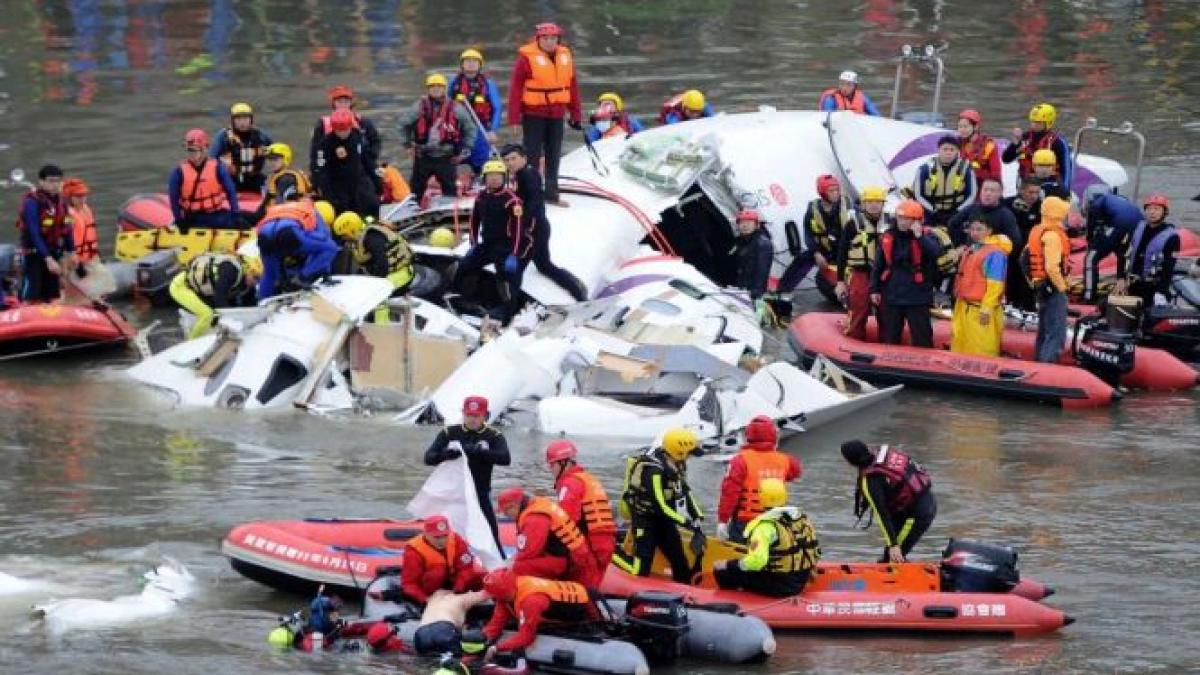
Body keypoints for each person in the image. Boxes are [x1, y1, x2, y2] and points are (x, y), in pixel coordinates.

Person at [613, 428, 705, 583]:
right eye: (689, 453)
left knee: (680, 563)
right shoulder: (654, 470)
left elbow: (685, 493)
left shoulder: (677, 466)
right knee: (640, 569)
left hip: (665, 520)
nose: (689, 457)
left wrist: (697, 516)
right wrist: (684, 522)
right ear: (679, 451)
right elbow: (659, 505)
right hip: (645, 520)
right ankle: (611, 554)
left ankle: (683, 590)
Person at [424, 395, 512, 552]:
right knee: (446, 532)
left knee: (491, 530)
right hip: (453, 494)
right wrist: (446, 454)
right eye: (469, 415)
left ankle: (497, 563)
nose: (472, 420)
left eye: (476, 416)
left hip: (480, 493)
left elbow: (505, 459)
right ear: (463, 414)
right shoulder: (449, 432)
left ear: (485, 416)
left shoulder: (493, 436)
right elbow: (428, 458)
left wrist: (482, 453)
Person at [501, 144, 587, 301]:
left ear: (523, 158)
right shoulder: (520, 175)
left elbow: (533, 203)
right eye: (506, 161)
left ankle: (510, 305)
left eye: (513, 159)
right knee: (544, 266)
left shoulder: (527, 176)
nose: (510, 163)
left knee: (517, 270)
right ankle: (577, 290)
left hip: (534, 229)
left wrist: (522, 227)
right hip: (539, 227)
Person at [508, 22, 582, 205]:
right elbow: (516, 89)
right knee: (531, 154)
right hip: (534, 113)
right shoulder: (526, 58)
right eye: (546, 38)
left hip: (556, 113)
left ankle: (551, 194)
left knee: (553, 153)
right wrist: (514, 118)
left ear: (558, 39)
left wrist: (576, 113)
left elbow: (572, 87)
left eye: (553, 38)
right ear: (538, 39)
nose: (550, 42)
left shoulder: (565, 55)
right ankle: (529, 194)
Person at [712, 478, 820, 597]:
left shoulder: (764, 527)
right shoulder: (800, 519)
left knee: (721, 570)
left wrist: (728, 564)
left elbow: (757, 562)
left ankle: (734, 599)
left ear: (761, 498)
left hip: (781, 586)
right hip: (801, 579)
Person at [452, 160, 529, 324]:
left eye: (498, 176)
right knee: (465, 265)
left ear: (504, 178)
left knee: (507, 277)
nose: (494, 179)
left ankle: (507, 310)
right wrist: (473, 244)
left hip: (506, 246)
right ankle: (465, 297)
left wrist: (514, 254)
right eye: (490, 176)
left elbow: (518, 230)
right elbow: (474, 220)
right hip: (487, 244)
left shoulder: (512, 201)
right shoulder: (481, 196)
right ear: (484, 178)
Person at [840, 440, 936, 562]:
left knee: (894, 557)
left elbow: (882, 514)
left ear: (850, 462)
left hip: (917, 515)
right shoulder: (883, 454)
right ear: (867, 449)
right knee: (888, 557)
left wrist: (893, 545)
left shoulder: (870, 482)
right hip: (922, 500)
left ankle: (904, 576)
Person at [481, 569, 598, 662]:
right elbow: (495, 625)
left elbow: (526, 637)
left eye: (494, 596)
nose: (492, 599)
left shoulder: (530, 601)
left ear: (503, 592)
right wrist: (480, 643)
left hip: (583, 607)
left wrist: (497, 648)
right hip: (569, 596)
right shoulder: (508, 593)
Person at [717, 415, 802, 543]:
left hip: (745, 522)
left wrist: (723, 520)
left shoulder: (740, 460)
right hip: (775, 520)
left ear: (748, 436)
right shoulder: (786, 460)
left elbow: (730, 493)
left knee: (740, 557)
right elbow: (795, 472)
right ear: (774, 436)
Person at [870, 200, 941, 347]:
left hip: (918, 296)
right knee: (890, 335)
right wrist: (874, 289)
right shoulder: (888, 236)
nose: (902, 222)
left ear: (917, 221)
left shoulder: (927, 237)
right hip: (893, 294)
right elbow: (878, 265)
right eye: (900, 218)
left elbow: (935, 252)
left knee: (922, 337)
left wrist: (919, 236)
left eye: (907, 219)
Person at [546, 440, 616, 588]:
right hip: (604, 543)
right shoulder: (587, 478)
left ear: (562, 463)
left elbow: (566, 519)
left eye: (552, 465)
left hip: (590, 547)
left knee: (584, 593)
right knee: (591, 587)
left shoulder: (570, 484)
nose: (551, 469)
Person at [495, 488, 597, 585]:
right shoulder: (539, 503)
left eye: (506, 512)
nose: (506, 516)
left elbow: (530, 553)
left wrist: (507, 566)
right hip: (572, 556)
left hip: (568, 562)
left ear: (513, 506)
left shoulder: (534, 518)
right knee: (517, 562)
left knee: (519, 567)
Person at [399, 73, 476, 199]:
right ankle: (413, 207)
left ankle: (450, 210)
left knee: (450, 188)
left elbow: (470, 128)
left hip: (446, 157)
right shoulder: (418, 107)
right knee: (416, 188)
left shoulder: (456, 107)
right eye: (432, 86)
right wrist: (407, 144)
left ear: (444, 88)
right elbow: (402, 125)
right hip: (423, 156)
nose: (435, 89)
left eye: (439, 86)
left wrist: (466, 148)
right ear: (428, 89)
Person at [778, 174, 853, 295]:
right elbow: (808, 234)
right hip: (826, 250)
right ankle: (781, 292)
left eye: (837, 190)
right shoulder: (813, 209)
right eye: (831, 191)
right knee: (802, 259)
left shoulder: (847, 205)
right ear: (822, 193)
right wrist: (816, 253)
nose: (835, 193)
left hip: (847, 250)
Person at [255, 200, 338, 299]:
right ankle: (301, 278)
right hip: (287, 233)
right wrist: (325, 275)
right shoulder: (314, 213)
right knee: (331, 247)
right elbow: (324, 240)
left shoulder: (288, 207)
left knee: (269, 273)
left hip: (264, 234)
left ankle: (261, 302)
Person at [950, 218, 1010, 356]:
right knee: (959, 346)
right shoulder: (972, 249)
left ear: (989, 231)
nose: (975, 233)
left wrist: (986, 308)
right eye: (972, 229)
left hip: (980, 310)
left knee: (982, 349)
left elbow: (995, 286)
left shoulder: (995, 254)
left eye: (979, 229)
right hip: (964, 306)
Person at [16, 165, 76, 302]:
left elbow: (67, 228)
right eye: (51, 181)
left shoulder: (63, 202)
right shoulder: (32, 202)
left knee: (52, 294)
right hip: (34, 253)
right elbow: (34, 232)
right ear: (41, 182)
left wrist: (72, 251)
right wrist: (47, 258)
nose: (55, 185)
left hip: (53, 252)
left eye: (58, 181)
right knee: (33, 293)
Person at [1023, 195, 1072, 362]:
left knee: (1043, 332)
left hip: (1040, 288)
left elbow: (1024, 259)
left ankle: (1039, 362)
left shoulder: (1037, 231)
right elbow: (1052, 267)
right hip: (1054, 289)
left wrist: (1033, 282)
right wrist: (1062, 287)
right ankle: (1047, 366)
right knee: (1056, 333)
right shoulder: (1054, 236)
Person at [835, 185, 888, 340]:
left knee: (886, 311)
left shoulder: (892, 223)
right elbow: (842, 253)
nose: (873, 205)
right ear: (863, 204)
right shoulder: (853, 224)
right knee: (859, 307)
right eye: (869, 201)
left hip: (885, 275)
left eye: (877, 202)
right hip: (861, 273)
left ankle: (887, 345)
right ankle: (854, 340)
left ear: (883, 204)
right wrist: (840, 281)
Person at [168, 252, 261, 339]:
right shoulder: (230, 271)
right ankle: (191, 342)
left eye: (259, 279)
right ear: (249, 271)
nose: (256, 283)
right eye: (256, 278)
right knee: (207, 314)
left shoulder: (245, 278)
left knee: (214, 315)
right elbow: (219, 299)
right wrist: (234, 322)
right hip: (181, 287)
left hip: (199, 290)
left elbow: (247, 302)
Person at [401, 516, 485, 606]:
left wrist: (457, 589)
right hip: (431, 590)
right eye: (436, 537)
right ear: (426, 534)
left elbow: (466, 568)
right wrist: (425, 599)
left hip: (454, 586)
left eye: (445, 536)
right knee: (436, 573)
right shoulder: (413, 552)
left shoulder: (456, 540)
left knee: (480, 575)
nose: (442, 541)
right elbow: (409, 584)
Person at [168, 128, 239, 232]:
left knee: (245, 221)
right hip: (192, 217)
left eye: (194, 150)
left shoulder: (217, 167)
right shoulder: (178, 172)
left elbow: (231, 191)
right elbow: (173, 199)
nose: (191, 154)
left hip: (216, 214)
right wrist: (179, 220)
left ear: (204, 149)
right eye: (189, 150)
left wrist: (235, 213)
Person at [313, 108, 380, 217]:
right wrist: (328, 194)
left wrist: (377, 180)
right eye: (339, 130)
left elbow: (366, 160)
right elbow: (321, 171)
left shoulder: (356, 137)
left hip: (358, 181)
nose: (342, 133)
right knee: (342, 209)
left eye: (345, 130)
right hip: (337, 184)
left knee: (372, 205)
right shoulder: (325, 144)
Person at [309, 84, 382, 183]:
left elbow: (375, 142)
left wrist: (370, 159)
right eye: (339, 102)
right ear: (334, 104)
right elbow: (315, 154)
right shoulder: (323, 124)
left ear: (351, 103)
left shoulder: (363, 122)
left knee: (389, 174)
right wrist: (317, 176)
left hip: (361, 169)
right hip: (333, 171)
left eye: (346, 102)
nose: (343, 105)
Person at [1081, 187, 1142, 303]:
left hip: (1120, 225)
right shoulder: (1121, 200)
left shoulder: (1096, 204)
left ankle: (1089, 296)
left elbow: (1091, 229)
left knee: (1090, 258)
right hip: (1139, 225)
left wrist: (1091, 242)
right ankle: (1127, 288)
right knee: (1123, 255)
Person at [1119, 193, 1180, 309]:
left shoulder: (1172, 237)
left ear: (1164, 212)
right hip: (1133, 284)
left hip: (1154, 287)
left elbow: (1169, 267)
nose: (1152, 212)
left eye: (1157, 209)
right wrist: (1120, 278)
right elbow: (1122, 253)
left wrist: (1161, 291)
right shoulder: (1136, 228)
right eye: (1149, 209)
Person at [331, 211, 415, 293]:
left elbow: (382, 267)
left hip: (397, 277)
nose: (343, 239)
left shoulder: (372, 238)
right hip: (390, 273)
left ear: (351, 231)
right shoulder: (360, 237)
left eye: (344, 235)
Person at [449, 49, 504, 175]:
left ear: (480, 65)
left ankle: (482, 180)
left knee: (481, 159)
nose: (471, 64)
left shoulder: (488, 84)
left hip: (480, 128)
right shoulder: (454, 83)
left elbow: (497, 108)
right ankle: (448, 183)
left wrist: (493, 131)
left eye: (474, 61)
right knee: (451, 157)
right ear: (462, 65)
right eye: (467, 61)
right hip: (458, 129)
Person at [913, 135, 977, 228]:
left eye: (952, 150)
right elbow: (918, 194)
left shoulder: (966, 169)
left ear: (957, 152)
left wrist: (958, 212)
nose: (948, 153)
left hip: (956, 213)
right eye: (945, 149)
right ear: (938, 150)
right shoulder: (924, 169)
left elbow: (971, 195)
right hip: (931, 213)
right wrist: (933, 211)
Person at [1002, 103, 1072, 187]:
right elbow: (1006, 159)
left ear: (1049, 123)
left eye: (1038, 123)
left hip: (1048, 184)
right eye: (1032, 121)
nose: (1034, 125)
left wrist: (1065, 192)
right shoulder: (1024, 137)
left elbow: (1066, 169)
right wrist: (1014, 144)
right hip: (1026, 185)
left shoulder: (1057, 142)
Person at [210, 102, 273, 192]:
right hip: (230, 178)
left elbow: (276, 154)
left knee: (273, 188)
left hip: (254, 178)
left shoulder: (261, 136)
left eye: (245, 118)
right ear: (233, 121)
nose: (242, 122)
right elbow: (212, 160)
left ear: (251, 120)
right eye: (238, 119)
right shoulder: (222, 137)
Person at [1003, 177, 1044, 311]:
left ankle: (1028, 307)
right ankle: (1011, 303)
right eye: (1030, 192)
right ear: (1021, 191)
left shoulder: (1042, 207)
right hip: (1012, 249)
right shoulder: (1007, 204)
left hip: (1031, 250)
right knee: (1011, 276)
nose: (1033, 196)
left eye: (1036, 193)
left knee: (1028, 280)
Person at [413, 588, 490, 656]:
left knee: (429, 655)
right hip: (443, 629)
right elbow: (485, 595)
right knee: (465, 655)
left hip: (420, 635)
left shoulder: (434, 597)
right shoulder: (461, 599)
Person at [731, 209, 775, 326]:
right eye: (742, 222)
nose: (745, 226)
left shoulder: (763, 243)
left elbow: (763, 270)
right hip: (742, 285)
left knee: (757, 321)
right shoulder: (741, 241)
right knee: (742, 320)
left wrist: (755, 290)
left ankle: (762, 321)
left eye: (749, 222)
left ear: (756, 225)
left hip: (755, 289)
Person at [257, 143, 312, 219]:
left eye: (275, 159)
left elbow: (281, 204)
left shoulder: (286, 179)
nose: (271, 163)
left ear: (285, 159)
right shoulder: (277, 175)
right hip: (275, 215)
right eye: (269, 159)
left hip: (287, 217)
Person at [956, 109, 1001, 187]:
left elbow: (996, 175)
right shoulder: (955, 144)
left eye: (965, 126)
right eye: (960, 127)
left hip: (982, 187)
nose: (962, 130)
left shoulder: (989, 146)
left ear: (976, 127)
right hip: (961, 187)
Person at [62, 178, 99, 264]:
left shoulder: (86, 209)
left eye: (84, 195)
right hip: (74, 260)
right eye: (78, 196)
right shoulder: (67, 214)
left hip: (91, 257)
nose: (82, 199)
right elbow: (64, 238)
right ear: (69, 197)